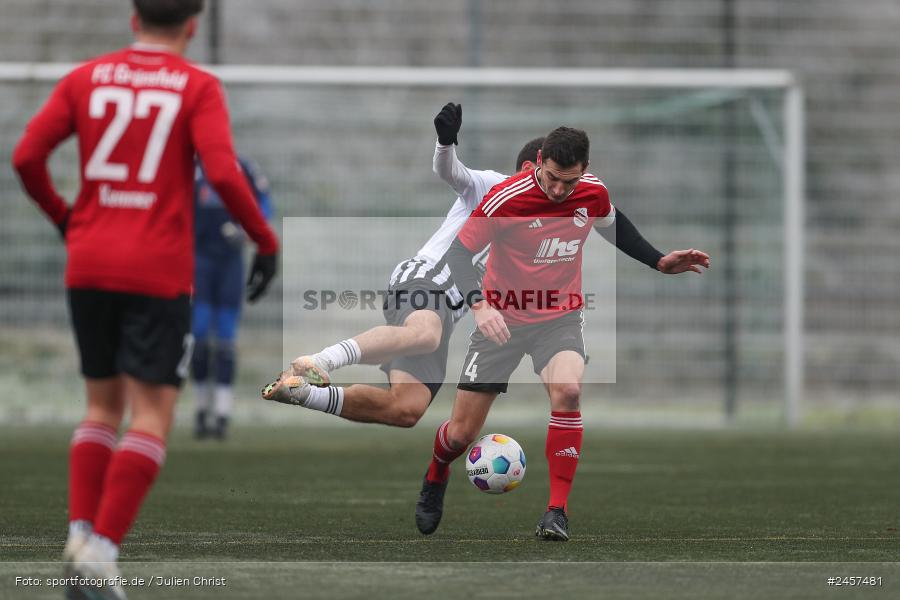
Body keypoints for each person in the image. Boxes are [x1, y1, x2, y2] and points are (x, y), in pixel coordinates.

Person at [11, 1, 279, 598]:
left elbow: (26, 158)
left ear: (134, 20)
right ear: (192, 24)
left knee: (100, 408)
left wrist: (65, 218)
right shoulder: (197, 85)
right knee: (151, 414)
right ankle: (100, 553)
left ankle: (81, 537)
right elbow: (224, 173)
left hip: (89, 264)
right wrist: (265, 241)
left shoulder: (85, 78)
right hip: (155, 271)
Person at [414, 126, 710, 541]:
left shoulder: (592, 192)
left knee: (568, 391)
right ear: (538, 165)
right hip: (501, 320)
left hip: (559, 318)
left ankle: (556, 512)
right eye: (550, 177)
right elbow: (459, 253)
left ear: (584, 169)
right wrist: (480, 306)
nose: (556, 189)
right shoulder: (506, 199)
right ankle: (436, 470)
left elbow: (613, 223)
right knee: (461, 434)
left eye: (567, 181)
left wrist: (658, 261)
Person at [262, 102, 542, 428]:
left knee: (406, 409)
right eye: (554, 176)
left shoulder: (543, 233)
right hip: (425, 276)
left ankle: (299, 392)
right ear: (527, 169)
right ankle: (320, 360)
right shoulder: (494, 186)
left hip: (447, 312)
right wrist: (446, 143)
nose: (562, 189)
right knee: (425, 333)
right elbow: (450, 172)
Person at [192, 155, 274, 440]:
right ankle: (202, 410)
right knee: (199, 338)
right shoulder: (188, 166)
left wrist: (246, 231)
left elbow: (265, 205)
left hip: (230, 263)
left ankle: (223, 414)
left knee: (226, 341)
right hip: (198, 261)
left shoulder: (245, 168)